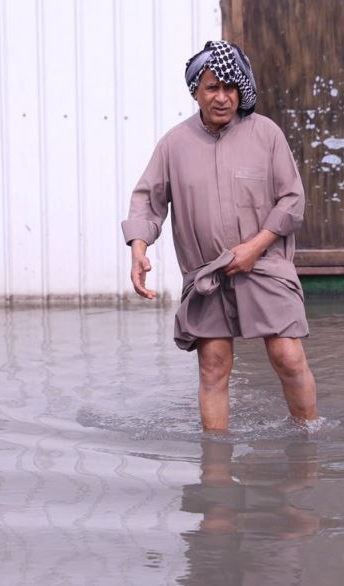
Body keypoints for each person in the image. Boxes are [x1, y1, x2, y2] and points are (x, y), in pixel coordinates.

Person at [121, 40, 317, 431]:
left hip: (265, 264)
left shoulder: (267, 135)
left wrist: (254, 248)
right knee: (213, 367)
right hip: (207, 274)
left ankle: (308, 442)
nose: (222, 97)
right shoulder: (174, 145)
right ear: (196, 91)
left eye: (230, 88)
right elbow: (147, 201)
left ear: (241, 91)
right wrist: (138, 249)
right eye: (212, 88)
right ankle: (215, 461)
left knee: (288, 356)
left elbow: (292, 200)